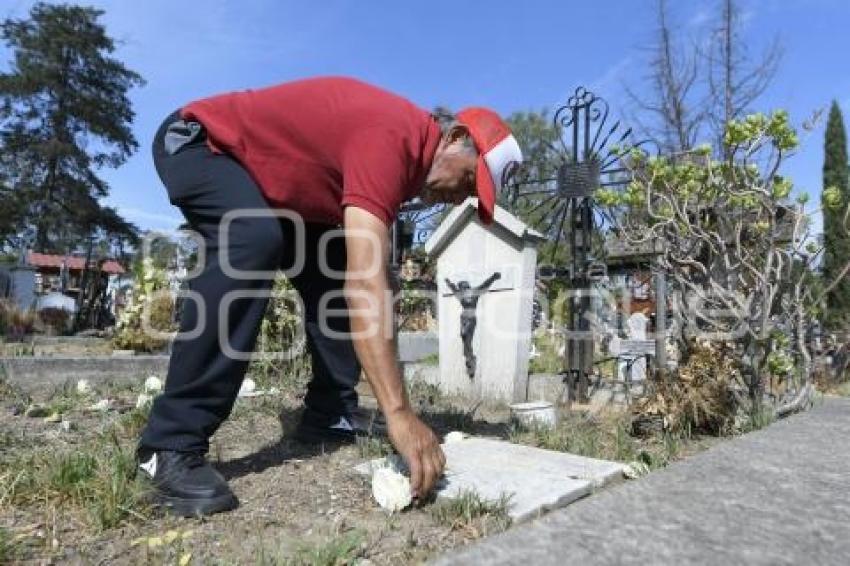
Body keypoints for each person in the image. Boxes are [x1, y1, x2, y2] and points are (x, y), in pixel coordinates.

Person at [137, 76, 522, 516]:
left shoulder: (405, 160)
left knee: (335, 265)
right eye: (468, 180)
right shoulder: (393, 136)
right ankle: (167, 445)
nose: (459, 198)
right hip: (201, 142)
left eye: (472, 196)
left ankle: (330, 412)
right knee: (252, 237)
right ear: (453, 137)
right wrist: (399, 413)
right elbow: (366, 285)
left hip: (274, 189)